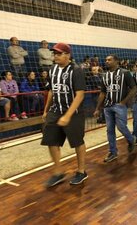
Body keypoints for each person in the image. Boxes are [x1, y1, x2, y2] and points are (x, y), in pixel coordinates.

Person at [41, 42, 88, 187]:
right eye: (54, 53)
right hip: (56, 110)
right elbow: (51, 91)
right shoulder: (52, 69)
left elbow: (80, 95)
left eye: (59, 53)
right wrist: (46, 110)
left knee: (77, 142)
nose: (55, 56)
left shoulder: (76, 70)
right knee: (51, 141)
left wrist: (68, 115)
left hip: (73, 112)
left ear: (67, 55)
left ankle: (81, 171)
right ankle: (58, 172)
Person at [93, 54, 137, 163]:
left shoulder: (125, 73)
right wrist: (98, 108)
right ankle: (113, 152)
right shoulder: (105, 75)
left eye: (109, 60)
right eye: (106, 60)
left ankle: (131, 140)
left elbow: (134, 88)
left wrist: (123, 102)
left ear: (116, 61)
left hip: (119, 106)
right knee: (110, 130)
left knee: (121, 127)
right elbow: (103, 92)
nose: (107, 61)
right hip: (107, 106)